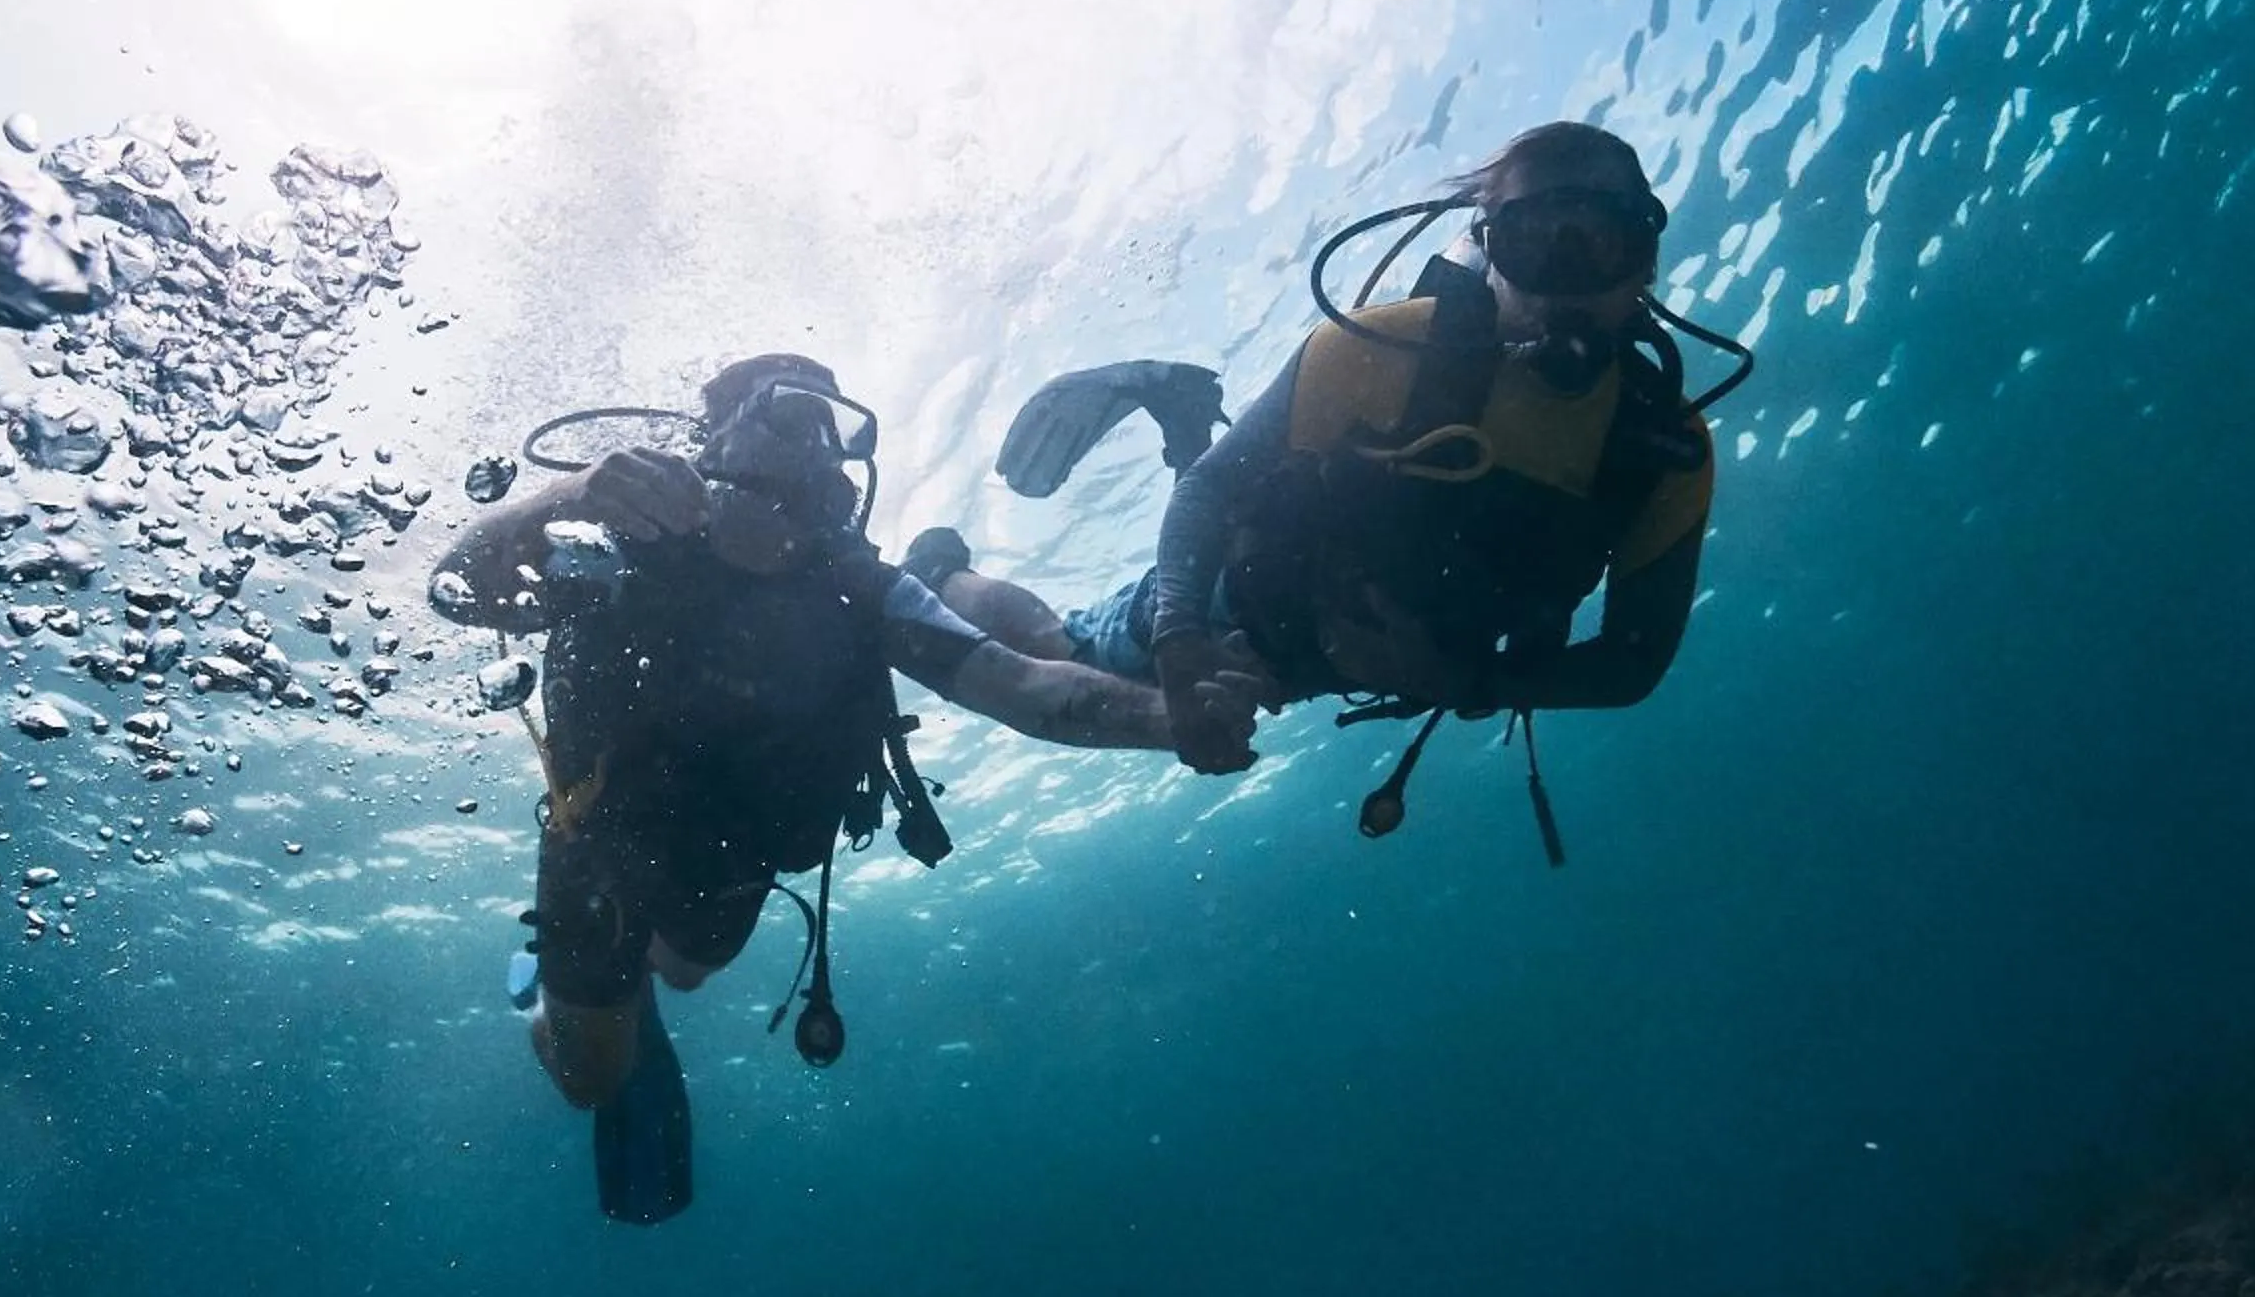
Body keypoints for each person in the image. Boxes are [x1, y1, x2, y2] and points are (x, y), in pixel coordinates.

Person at [431, 352, 1240, 1223]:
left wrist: (1171, 721)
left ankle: (634, 989)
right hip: (603, 852)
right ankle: (540, 995)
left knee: (691, 971)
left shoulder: (861, 587)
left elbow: (1021, 687)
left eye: (834, 429)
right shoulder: (609, 547)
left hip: (737, 861)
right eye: (789, 414)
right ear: (717, 433)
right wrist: (577, 491)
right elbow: (459, 591)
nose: (816, 446)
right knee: (593, 1080)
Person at [912, 122, 1739, 828]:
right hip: (1246, 597)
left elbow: (1633, 663)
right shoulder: (1381, 347)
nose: (1569, 284)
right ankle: (940, 570)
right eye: (1534, 245)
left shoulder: (1662, 450)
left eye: (1602, 245)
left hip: (1352, 659)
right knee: (1070, 651)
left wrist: (1461, 680)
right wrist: (1181, 647)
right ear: (1488, 253)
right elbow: (1210, 493)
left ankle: (1183, 419)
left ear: (1647, 259)